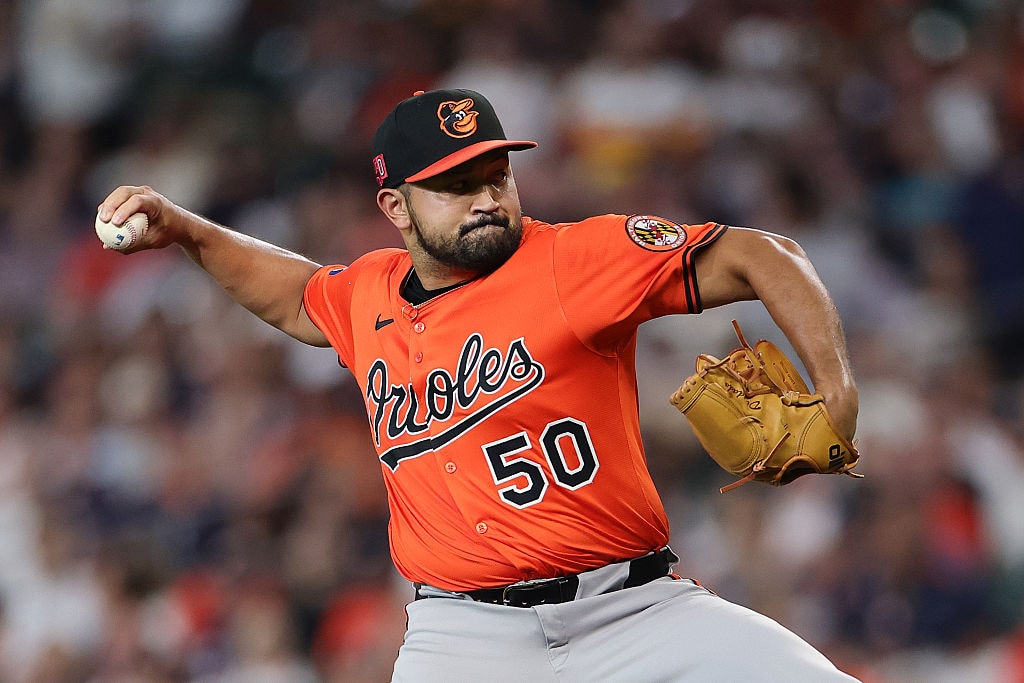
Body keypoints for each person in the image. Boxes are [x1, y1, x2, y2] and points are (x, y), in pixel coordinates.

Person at [97, 88, 860, 681]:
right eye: (456, 184)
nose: (487, 197)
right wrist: (190, 230)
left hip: (634, 610)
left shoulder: (572, 260)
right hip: (464, 640)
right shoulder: (368, 295)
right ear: (395, 206)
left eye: (496, 174)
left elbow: (766, 254)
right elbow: (296, 294)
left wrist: (837, 388)